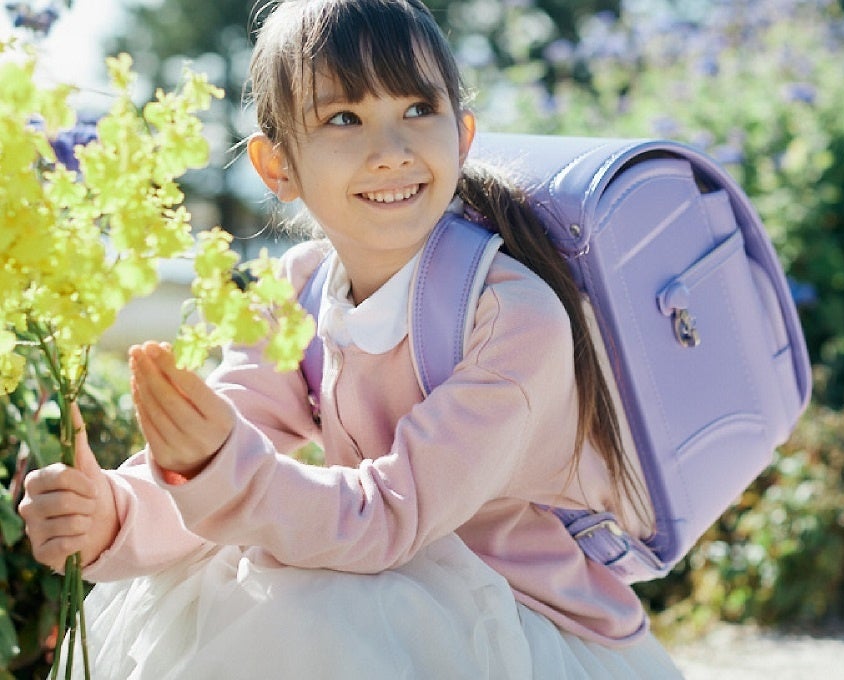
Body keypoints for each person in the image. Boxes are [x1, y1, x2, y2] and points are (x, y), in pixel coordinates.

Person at [18, 0, 684, 677]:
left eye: (419, 109)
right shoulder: (300, 292)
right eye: (343, 118)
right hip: (380, 579)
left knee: (297, 611)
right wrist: (114, 512)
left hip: (520, 617)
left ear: (463, 136)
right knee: (233, 589)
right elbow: (228, 449)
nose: (391, 152)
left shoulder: (512, 317)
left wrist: (219, 467)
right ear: (276, 166)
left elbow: (391, 515)